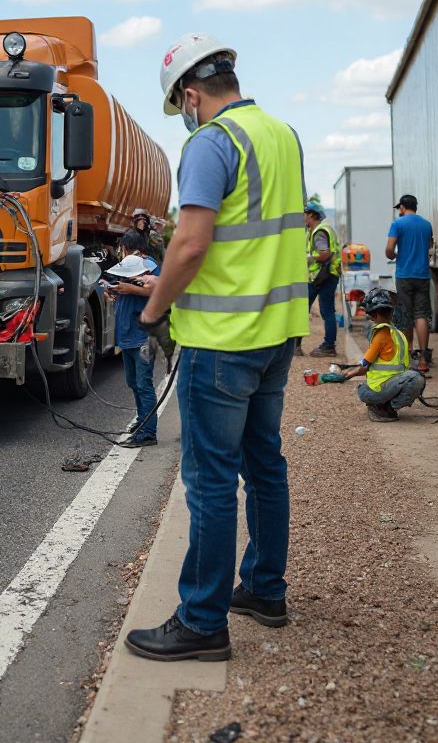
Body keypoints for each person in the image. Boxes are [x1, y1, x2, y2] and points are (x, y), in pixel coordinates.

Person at [126, 32, 308, 662]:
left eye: (181, 107)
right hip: (276, 334)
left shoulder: (211, 141)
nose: (185, 117)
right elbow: (249, 241)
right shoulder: (282, 134)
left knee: (208, 482)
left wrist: (155, 306)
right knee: (265, 466)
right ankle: (264, 589)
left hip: (222, 343)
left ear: (193, 94)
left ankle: (201, 623)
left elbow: (193, 242)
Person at [105, 230, 162, 448]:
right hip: (129, 335)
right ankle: (142, 421)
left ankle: (148, 432)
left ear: (129, 248)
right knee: (133, 383)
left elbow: (157, 288)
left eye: (123, 248)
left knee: (143, 383)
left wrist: (128, 288)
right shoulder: (129, 266)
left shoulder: (148, 264)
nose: (121, 252)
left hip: (143, 336)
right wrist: (114, 291)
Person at [341, 287, 426, 422]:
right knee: (416, 378)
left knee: (415, 377)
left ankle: (384, 407)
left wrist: (347, 375)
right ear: (391, 312)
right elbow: (366, 363)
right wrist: (349, 372)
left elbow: (364, 365)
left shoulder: (384, 334)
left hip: (382, 388)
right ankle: (384, 407)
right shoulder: (397, 334)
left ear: (373, 315)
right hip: (380, 389)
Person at [386, 194, 434, 374]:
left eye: (400, 208)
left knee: (405, 315)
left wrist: (393, 256)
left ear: (403, 207)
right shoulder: (426, 224)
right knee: (421, 315)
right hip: (422, 275)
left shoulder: (397, 224)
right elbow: (430, 247)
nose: (399, 211)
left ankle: (407, 357)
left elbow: (390, 249)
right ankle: (423, 359)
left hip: (404, 275)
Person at [304, 200, 341, 358]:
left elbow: (325, 254)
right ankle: (327, 345)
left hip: (322, 276)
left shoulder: (319, 231)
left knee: (324, 311)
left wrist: (308, 259)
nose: (303, 217)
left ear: (312, 215)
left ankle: (328, 346)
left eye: (304, 214)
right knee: (326, 311)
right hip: (326, 275)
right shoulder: (321, 230)